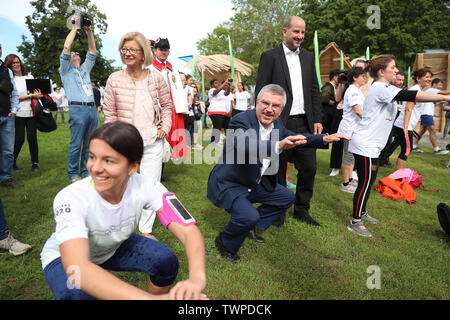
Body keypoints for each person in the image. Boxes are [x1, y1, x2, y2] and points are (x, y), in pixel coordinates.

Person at [40, 121, 207, 300]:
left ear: (133, 167)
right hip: (65, 258)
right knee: (75, 296)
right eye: (92, 157)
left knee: (165, 261)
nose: (95, 168)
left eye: (108, 161)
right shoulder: (71, 197)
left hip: (112, 247)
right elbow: (78, 267)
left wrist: (197, 278)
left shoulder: (147, 186)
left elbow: (188, 231)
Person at [207, 84, 349, 262]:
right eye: (265, 103)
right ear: (256, 103)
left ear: (282, 109)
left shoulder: (278, 124)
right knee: (249, 215)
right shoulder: (240, 120)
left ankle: (250, 226)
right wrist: (278, 145)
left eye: (275, 106)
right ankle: (225, 242)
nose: (269, 109)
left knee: (286, 197)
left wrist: (324, 138)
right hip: (231, 183)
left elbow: (294, 136)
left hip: (255, 182)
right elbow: (245, 146)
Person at [347, 55, 450, 237]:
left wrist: (442, 98)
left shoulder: (385, 88)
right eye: (393, 68)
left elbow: (416, 97)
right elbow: (412, 95)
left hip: (373, 146)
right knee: (364, 183)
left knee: (369, 181)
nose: (396, 70)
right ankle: (355, 221)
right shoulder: (381, 87)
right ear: (381, 72)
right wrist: (443, 97)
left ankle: (362, 212)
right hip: (365, 144)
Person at [102, 32, 172, 241]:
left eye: (132, 49)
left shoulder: (155, 77)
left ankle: (145, 230)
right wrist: (113, 137)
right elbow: (110, 112)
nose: (127, 53)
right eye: (124, 50)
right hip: (124, 143)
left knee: (150, 186)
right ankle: (119, 226)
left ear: (143, 54)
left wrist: (164, 128)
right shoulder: (115, 79)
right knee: (121, 187)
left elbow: (167, 106)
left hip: (152, 142)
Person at [255, 16, 324, 226]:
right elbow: (261, 90)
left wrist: (317, 119)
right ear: (284, 32)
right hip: (280, 123)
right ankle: (277, 212)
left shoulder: (309, 57)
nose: (300, 36)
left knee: (309, 168)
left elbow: (314, 89)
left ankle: (302, 211)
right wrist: (264, 120)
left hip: (305, 122)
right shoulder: (270, 57)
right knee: (276, 170)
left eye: (303, 32)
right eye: (296, 32)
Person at [59, 15, 99, 183]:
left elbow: (92, 52)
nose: (75, 53)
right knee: (76, 144)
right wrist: (75, 27)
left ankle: (85, 170)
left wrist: (89, 32)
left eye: (77, 53)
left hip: (92, 109)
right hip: (77, 109)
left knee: (90, 144)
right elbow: (67, 46)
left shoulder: (84, 69)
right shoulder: (65, 70)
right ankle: (73, 174)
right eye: (73, 53)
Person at [149, 38, 188, 161]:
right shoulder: (150, 67)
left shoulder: (171, 68)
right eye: (161, 49)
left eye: (166, 50)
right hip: (157, 107)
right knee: (157, 137)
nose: (163, 52)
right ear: (155, 51)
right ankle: (156, 168)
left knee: (166, 138)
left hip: (172, 108)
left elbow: (178, 89)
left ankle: (162, 167)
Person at [4, 54, 42, 172]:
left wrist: (38, 94)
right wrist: (30, 95)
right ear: (9, 66)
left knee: (32, 138)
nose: (16, 64)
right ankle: (13, 162)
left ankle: (35, 163)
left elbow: (36, 93)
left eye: (17, 62)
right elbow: (14, 97)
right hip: (18, 113)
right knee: (19, 139)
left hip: (31, 113)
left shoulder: (29, 76)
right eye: (13, 63)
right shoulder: (10, 79)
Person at [337, 67, 367, 193]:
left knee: (352, 157)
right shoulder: (353, 91)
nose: (365, 78)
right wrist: (368, 121)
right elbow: (358, 110)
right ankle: (345, 183)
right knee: (348, 157)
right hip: (349, 129)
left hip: (354, 129)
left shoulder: (356, 90)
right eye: (363, 76)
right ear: (355, 77)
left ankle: (349, 180)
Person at [0, 42, 23, 188]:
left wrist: (14, 109)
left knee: (8, 150)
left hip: (7, 115)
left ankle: (6, 178)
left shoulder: (6, 70)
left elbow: (14, 92)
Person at [413, 78, 449, 155]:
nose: (440, 86)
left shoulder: (432, 93)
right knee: (432, 130)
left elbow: (440, 100)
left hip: (426, 114)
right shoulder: (432, 90)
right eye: (439, 84)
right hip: (426, 114)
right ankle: (436, 149)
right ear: (434, 84)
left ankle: (414, 146)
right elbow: (446, 92)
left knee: (421, 131)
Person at [379, 71, 406, 168]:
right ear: (393, 78)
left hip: (398, 117)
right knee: (387, 139)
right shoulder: (388, 89)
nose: (401, 82)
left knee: (398, 139)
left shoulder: (402, 89)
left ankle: (385, 157)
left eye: (402, 80)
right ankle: (382, 159)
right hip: (387, 118)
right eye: (399, 79)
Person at [208, 78, 231, 147]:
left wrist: (228, 86)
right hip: (214, 111)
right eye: (215, 83)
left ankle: (213, 141)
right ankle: (215, 141)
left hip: (221, 112)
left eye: (218, 83)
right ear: (212, 85)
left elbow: (227, 93)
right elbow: (216, 92)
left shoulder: (221, 91)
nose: (217, 84)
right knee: (217, 127)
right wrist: (224, 83)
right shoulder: (211, 90)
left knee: (217, 127)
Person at [191, 84, 205, 150]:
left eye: (195, 87)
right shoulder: (188, 96)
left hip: (197, 116)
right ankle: (193, 144)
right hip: (190, 115)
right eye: (193, 87)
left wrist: (199, 102)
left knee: (196, 129)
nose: (194, 89)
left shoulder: (197, 97)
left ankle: (195, 144)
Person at [183, 75, 195, 148]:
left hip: (191, 112)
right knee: (186, 129)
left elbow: (191, 98)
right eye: (190, 80)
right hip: (185, 111)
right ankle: (186, 144)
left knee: (191, 129)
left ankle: (190, 144)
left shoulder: (190, 88)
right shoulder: (184, 88)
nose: (191, 81)